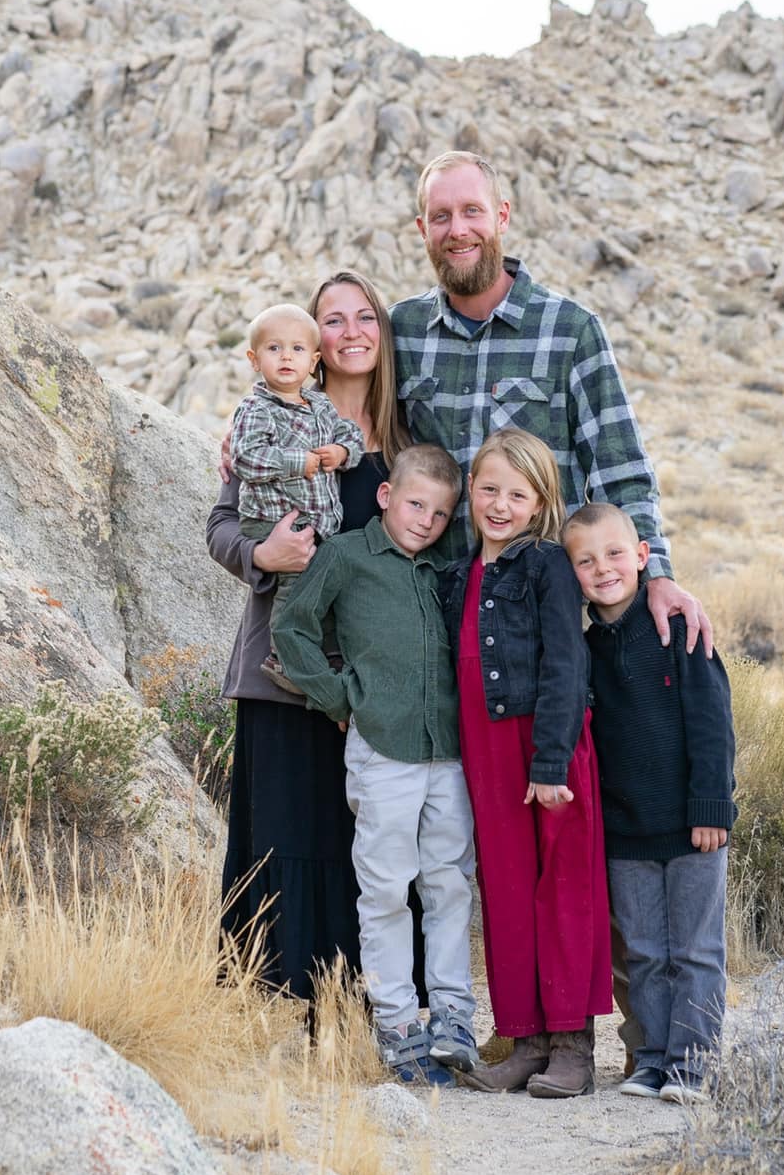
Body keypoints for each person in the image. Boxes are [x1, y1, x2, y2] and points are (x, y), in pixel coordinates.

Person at [391, 150, 715, 654]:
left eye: (472, 211)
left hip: (537, 626)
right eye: (441, 216)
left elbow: (619, 469)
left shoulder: (570, 331)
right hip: (427, 617)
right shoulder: (401, 332)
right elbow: (348, 418)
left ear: (501, 215)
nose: (458, 229)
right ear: (422, 228)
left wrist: (656, 575)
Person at [207, 271, 414, 1005]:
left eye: (366, 318)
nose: (351, 332)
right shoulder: (270, 422)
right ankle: (275, 1009)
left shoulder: (407, 439)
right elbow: (222, 525)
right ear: (307, 339)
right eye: (334, 319)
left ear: (383, 333)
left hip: (373, 682)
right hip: (280, 673)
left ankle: (368, 1010)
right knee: (286, 834)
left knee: (369, 845)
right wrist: (261, 557)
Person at [271, 444, 480, 1087]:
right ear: (387, 497)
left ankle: (452, 1016)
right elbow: (291, 627)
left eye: (442, 514)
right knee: (387, 887)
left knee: (449, 884)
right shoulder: (345, 556)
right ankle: (396, 1024)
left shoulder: (444, 566)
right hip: (382, 748)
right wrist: (339, 699)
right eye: (416, 504)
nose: (426, 521)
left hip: (448, 752)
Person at [442, 428, 613, 1097]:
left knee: (562, 889)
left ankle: (573, 1045)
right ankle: (525, 1038)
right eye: (488, 489)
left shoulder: (546, 567)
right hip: (484, 750)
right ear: (470, 494)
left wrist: (549, 762)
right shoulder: (459, 573)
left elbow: (566, 666)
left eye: (518, 493)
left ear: (541, 501)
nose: (500, 504)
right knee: (507, 892)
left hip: (548, 747)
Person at [563, 501, 736, 1105]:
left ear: (642, 556)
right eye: (585, 561)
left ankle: (695, 1064)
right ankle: (654, 1059)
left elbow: (713, 724)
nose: (603, 569)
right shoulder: (585, 649)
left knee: (694, 951)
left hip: (692, 828)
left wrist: (712, 806)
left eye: (614, 554)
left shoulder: (679, 628)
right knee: (644, 953)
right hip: (626, 832)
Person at [225, 302, 364, 690]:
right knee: (296, 583)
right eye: (274, 348)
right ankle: (282, 657)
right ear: (254, 359)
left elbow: (351, 435)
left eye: (298, 350)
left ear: (314, 360)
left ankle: (317, 654)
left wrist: (341, 453)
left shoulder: (320, 406)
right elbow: (246, 459)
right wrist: (295, 462)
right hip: (273, 519)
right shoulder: (256, 408)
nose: (286, 356)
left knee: (321, 582)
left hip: (315, 520)